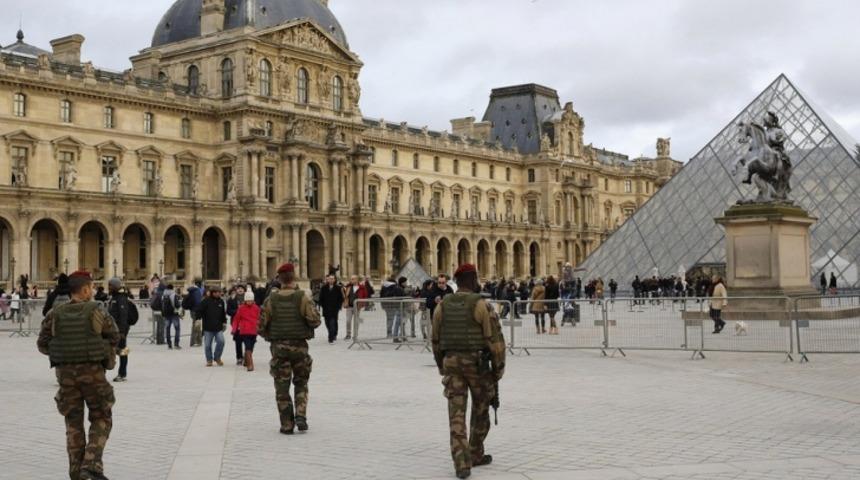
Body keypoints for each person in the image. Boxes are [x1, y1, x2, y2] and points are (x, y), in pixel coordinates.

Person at [37, 270, 119, 480]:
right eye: (91, 287)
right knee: (101, 417)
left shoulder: (54, 314)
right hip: (93, 375)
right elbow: (114, 336)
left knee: (73, 424)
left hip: (66, 377)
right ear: (84, 290)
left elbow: (42, 344)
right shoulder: (97, 310)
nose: (92, 291)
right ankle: (91, 464)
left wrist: (64, 352)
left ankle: (76, 473)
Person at [432, 264, 506, 479]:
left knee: (456, 415)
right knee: (481, 410)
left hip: (452, 364)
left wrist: (441, 365)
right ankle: (475, 452)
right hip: (477, 365)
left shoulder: (442, 306)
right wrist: (498, 369)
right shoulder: (481, 305)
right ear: (473, 279)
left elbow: (435, 340)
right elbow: (495, 341)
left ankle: (461, 463)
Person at [258, 263, 321, 434]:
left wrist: (271, 336)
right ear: (294, 277)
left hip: (279, 348)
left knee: (282, 387)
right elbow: (315, 321)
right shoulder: (303, 297)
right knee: (301, 382)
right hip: (300, 347)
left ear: (279, 279)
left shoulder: (271, 299)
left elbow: (261, 326)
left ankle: (286, 424)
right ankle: (301, 415)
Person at [106, 277, 138, 383]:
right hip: (114, 329)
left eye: (110, 285)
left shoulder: (121, 298)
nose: (109, 287)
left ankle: (122, 374)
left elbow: (123, 315)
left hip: (120, 330)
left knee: (122, 351)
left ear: (115, 286)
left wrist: (122, 332)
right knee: (117, 350)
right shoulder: (115, 297)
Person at [196, 286, 228, 367]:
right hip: (208, 327)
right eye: (217, 292)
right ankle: (209, 360)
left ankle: (217, 357)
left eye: (219, 292)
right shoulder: (205, 301)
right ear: (213, 293)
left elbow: (223, 313)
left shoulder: (221, 301)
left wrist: (224, 322)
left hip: (218, 327)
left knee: (221, 341)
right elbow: (199, 310)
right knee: (207, 345)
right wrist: (198, 319)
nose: (219, 294)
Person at [231, 290, 260, 372]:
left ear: (253, 300)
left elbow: (259, 318)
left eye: (251, 300)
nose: (249, 302)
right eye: (248, 300)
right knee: (248, 346)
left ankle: (246, 360)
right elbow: (236, 319)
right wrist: (234, 329)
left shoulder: (256, 308)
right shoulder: (241, 308)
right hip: (245, 330)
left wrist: (260, 327)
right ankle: (250, 365)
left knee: (251, 346)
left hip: (254, 331)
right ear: (245, 300)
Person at [318, 274, 344, 344]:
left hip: (334, 309)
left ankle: (331, 337)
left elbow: (341, 298)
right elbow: (321, 298)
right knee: (327, 323)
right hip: (326, 308)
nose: (331, 280)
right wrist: (322, 305)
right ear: (328, 279)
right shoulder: (324, 288)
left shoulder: (338, 288)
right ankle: (333, 333)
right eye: (330, 279)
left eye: (332, 279)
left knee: (333, 322)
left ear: (334, 280)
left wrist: (338, 306)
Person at [342, 275, 368, 341]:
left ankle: (355, 335)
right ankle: (348, 334)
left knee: (356, 321)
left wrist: (362, 305)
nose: (351, 280)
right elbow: (344, 294)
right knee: (348, 320)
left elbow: (365, 296)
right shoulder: (348, 287)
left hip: (357, 306)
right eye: (351, 279)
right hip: (349, 306)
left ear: (357, 280)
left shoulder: (362, 287)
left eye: (353, 279)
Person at [227, 285, 246, 365]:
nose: (240, 290)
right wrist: (237, 311)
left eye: (242, 288)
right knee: (238, 341)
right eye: (239, 289)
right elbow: (228, 311)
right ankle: (239, 357)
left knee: (247, 341)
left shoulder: (249, 298)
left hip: (246, 323)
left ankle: (247, 356)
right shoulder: (232, 299)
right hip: (236, 323)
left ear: (244, 290)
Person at [182, 279, 204, 347]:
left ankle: (198, 341)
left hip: (192, 310)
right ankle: (194, 342)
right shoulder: (197, 291)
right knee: (196, 325)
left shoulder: (192, 290)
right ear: (199, 284)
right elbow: (198, 302)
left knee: (196, 325)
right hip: (196, 311)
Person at [161, 284, 182, 350]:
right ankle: (176, 344)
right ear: (172, 288)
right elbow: (177, 305)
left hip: (166, 314)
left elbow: (162, 305)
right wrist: (179, 304)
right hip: (174, 314)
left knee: (167, 329)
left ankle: (169, 345)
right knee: (177, 329)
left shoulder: (163, 295)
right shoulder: (173, 294)